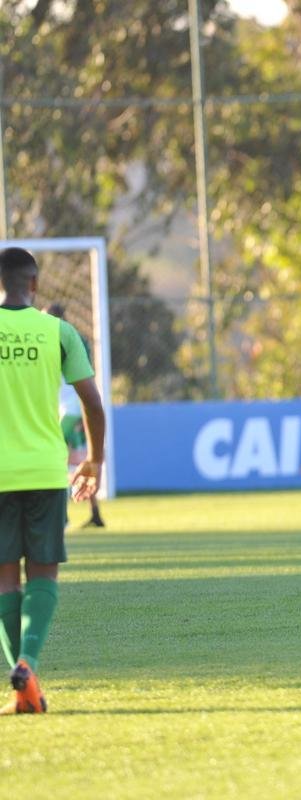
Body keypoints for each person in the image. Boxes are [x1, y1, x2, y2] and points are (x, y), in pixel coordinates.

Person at [0, 247, 106, 713]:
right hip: (45, 471)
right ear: (35, 284)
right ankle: (28, 664)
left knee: (4, 578)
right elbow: (92, 403)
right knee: (43, 572)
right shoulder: (59, 331)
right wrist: (94, 461)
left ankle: (23, 688)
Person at [43, 303, 104, 529]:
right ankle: (95, 512)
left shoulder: (54, 339)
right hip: (78, 409)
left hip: (70, 410)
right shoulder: (75, 340)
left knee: (54, 458)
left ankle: (63, 516)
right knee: (78, 461)